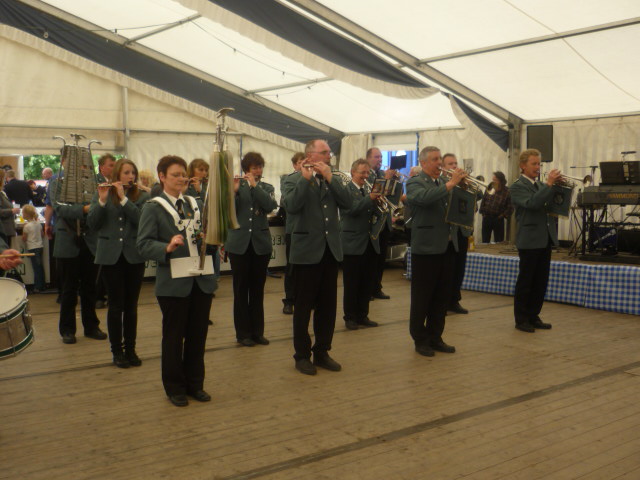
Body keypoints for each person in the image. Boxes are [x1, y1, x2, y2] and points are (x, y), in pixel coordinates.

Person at [137, 155, 216, 407]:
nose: (181, 178)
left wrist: (213, 238)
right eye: (175, 175)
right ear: (162, 177)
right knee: (174, 338)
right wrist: (166, 247)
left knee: (198, 336)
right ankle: (175, 387)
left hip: (201, 279)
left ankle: (195, 384)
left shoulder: (195, 203)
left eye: (183, 174)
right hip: (173, 282)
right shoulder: (153, 207)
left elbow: (206, 237)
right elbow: (143, 244)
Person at [282, 139, 352, 375]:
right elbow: (291, 206)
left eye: (329, 153)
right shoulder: (292, 179)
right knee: (303, 307)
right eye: (325, 153)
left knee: (327, 306)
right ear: (310, 156)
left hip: (330, 251)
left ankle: (322, 351)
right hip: (306, 252)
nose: (329, 156)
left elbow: (348, 203)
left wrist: (330, 177)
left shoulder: (334, 178)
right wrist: (305, 179)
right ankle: (302, 355)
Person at [88, 159, 149, 368]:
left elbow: (141, 220)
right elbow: (92, 224)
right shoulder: (103, 193)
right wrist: (102, 201)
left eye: (133, 173)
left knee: (131, 306)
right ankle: (117, 351)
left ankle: (130, 349)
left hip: (134, 256)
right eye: (126, 173)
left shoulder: (142, 196)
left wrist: (124, 199)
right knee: (115, 306)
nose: (131, 176)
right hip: (110, 256)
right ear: (116, 175)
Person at [406, 146, 465, 357]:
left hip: (447, 246)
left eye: (440, 158)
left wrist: (463, 187)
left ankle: (435, 336)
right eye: (434, 159)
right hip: (426, 248)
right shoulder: (414, 182)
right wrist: (450, 184)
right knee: (422, 297)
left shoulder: (442, 182)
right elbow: (423, 198)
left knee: (441, 297)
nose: (439, 163)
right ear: (423, 163)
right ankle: (420, 339)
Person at [49, 158, 107, 344]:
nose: (82, 168)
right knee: (68, 289)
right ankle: (67, 329)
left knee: (90, 288)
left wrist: (92, 208)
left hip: (90, 241)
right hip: (68, 241)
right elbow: (60, 208)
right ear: (65, 163)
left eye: (84, 164)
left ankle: (91, 326)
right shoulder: (57, 183)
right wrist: (84, 208)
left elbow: (99, 207)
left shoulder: (93, 184)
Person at [225, 152, 277, 347]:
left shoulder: (266, 187)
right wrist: (233, 192)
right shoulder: (237, 186)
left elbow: (270, 206)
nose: (258, 170)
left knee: (257, 290)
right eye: (254, 167)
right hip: (239, 244)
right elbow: (228, 211)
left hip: (260, 245)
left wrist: (255, 186)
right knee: (240, 290)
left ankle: (257, 332)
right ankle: (243, 333)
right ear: (246, 169)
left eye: (260, 167)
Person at [511, 149, 559, 333]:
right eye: (534, 164)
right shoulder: (517, 186)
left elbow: (551, 205)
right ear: (523, 166)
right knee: (526, 281)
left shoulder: (540, 185)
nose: (538, 167)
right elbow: (532, 204)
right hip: (529, 239)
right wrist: (549, 185)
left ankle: (533, 315)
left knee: (540, 281)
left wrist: (557, 188)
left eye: (539, 164)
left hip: (544, 237)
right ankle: (521, 318)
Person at [340, 159, 382, 330]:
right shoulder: (346, 190)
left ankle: (363, 315)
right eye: (362, 172)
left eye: (367, 173)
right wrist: (370, 199)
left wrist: (379, 203)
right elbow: (351, 210)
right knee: (352, 284)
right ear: (353, 172)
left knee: (367, 282)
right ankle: (350, 317)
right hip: (353, 243)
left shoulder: (367, 190)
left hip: (369, 242)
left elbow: (373, 213)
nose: (365, 176)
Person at [441, 153, 480, 315]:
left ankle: (454, 300)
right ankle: (443, 302)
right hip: (448, 232)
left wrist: (467, 184)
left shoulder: (463, 183)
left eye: (455, 163)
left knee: (459, 267)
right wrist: (454, 182)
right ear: (443, 168)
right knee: (447, 269)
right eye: (450, 164)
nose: (454, 166)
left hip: (462, 230)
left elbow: (478, 197)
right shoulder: (443, 183)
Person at [366, 147, 401, 300]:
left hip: (385, 221)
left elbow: (392, 197)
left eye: (381, 157)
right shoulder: (366, 175)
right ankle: (367, 289)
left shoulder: (381, 174)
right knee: (371, 259)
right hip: (373, 222)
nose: (380, 160)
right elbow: (375, 193)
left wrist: (395, 181)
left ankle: (377, 287)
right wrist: (386, 179)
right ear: (368, 159)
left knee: (381, 259)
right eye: (376, 157)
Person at [281, 152, 305, 315]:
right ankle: (289, 300)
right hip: (294, 230)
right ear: (295, 165)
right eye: (300, 162)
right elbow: (288, 203)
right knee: (291, 267)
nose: (304, 164)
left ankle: (305, 299)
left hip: (309, 231)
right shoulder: (289, 180)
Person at [95, 154, 116, 309]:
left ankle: (109, 294)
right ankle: (98, 296)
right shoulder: (95, 181)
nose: (113, 168)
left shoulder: (115, 182)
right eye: (111, 165)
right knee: (100, 267)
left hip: (113, 230)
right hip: (99, 230)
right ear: (102, 167)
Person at [479, 171, 513, 243]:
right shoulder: (490, 187)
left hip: (498, 219)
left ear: (501, 181)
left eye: (495, 180)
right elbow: (483, 200)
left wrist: (502, 216)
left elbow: (510, 207)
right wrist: (483, 213)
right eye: (493, 180)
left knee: (499, 241)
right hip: (486, 217)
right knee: (485, 241)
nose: (493, 182)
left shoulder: (507, 191)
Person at [21, 204, 45, 293]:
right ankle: (42, 285)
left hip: (32, 248)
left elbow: (24, 238)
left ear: (26, 214)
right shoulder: (38, 224)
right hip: (40, 246)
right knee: (40, 267)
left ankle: (38, 287)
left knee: (36, 268)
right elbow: (42, 235)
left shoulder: (26, 226)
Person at [0, 169, 20, 244]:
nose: (5, 181)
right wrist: (11, 211)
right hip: (4, 231)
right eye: (4, 178)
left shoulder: (2, 193)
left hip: (7, 230)